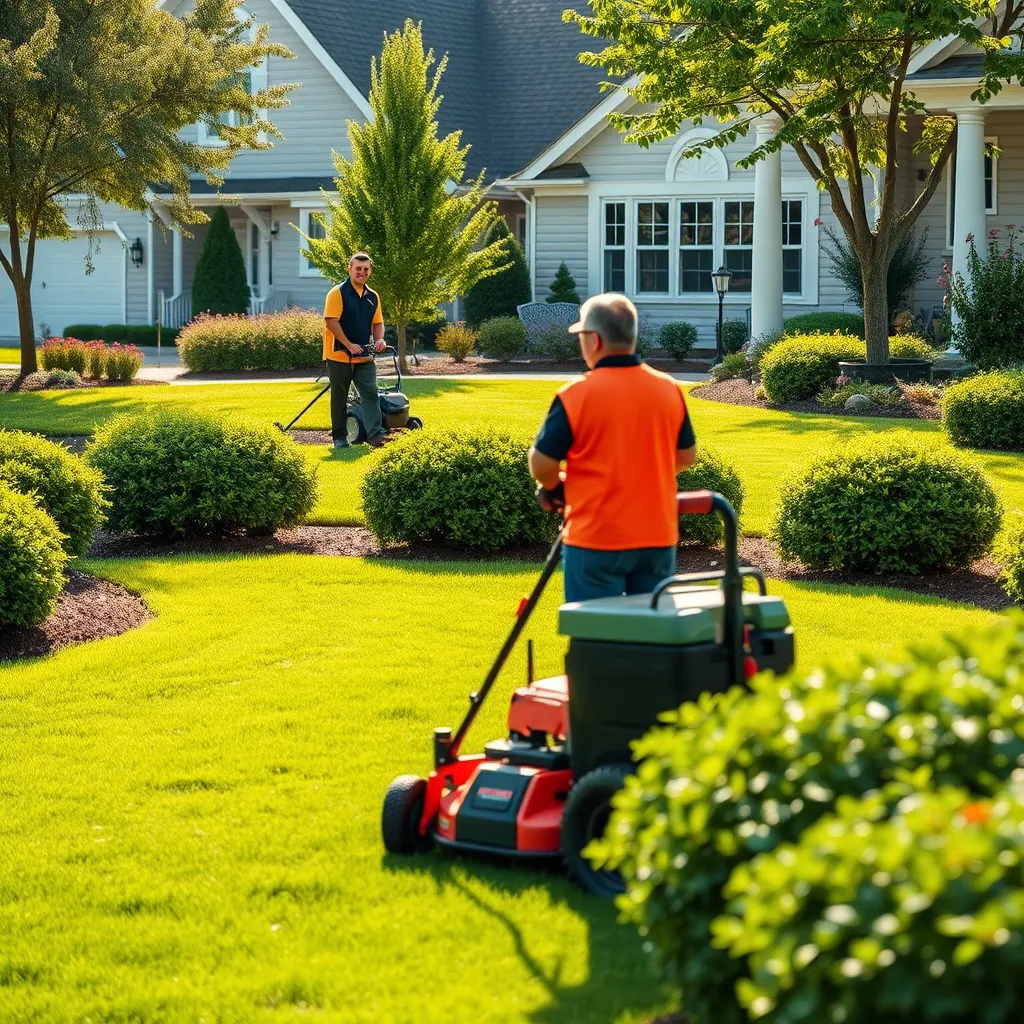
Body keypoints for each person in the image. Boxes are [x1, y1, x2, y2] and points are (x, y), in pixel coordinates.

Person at [528, 293, 698, 603]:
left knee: (596, 639)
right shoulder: (669, 389)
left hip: (596, 538)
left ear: (593, 340)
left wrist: (554, 488)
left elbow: (541, 463)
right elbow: (686, 456)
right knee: (652, 636)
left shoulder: (576, 395)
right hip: (656, 536)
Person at [322, 252, 388, 449]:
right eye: (358, 268)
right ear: (349, 268)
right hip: (339, 355)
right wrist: (349, 344)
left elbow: (378, 323)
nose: (362, 272)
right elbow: (331, 321)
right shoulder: (337, 293)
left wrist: (379, 339)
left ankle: (375, 436)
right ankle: (340, 438)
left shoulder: (373, 296)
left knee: (370, 393)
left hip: (364, 356)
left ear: (370, 271)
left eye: (366, 269)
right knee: (339, 398)